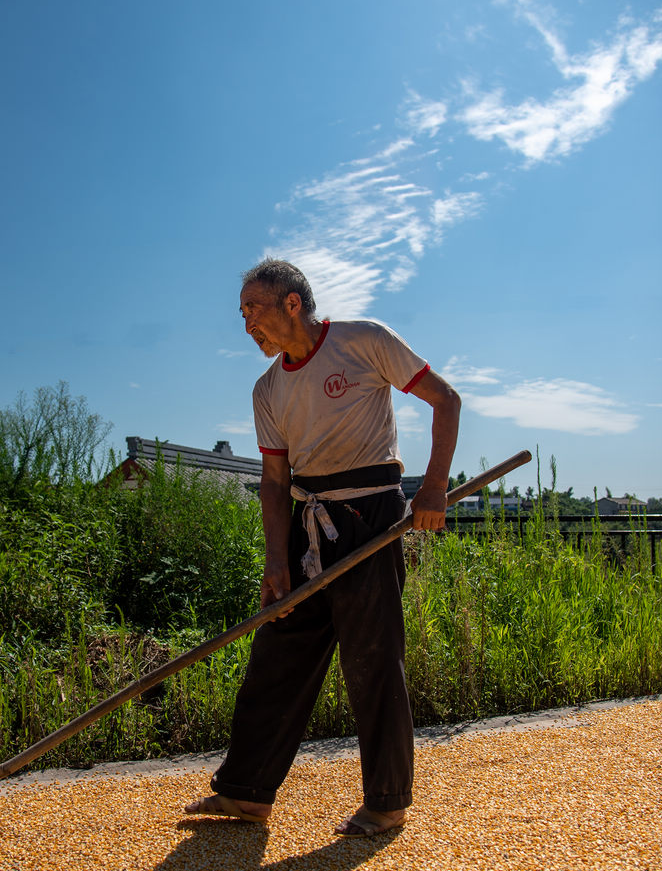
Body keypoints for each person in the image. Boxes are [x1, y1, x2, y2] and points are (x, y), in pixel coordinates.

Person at [185, 258, 460, 836]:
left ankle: (386, 802)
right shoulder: (268, 389)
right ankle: (246, 792)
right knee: (277, 655)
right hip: (307, 523)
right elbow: (276, 481)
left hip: (370, 515)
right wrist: (276, 561)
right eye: (241, 315)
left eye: (252, 311)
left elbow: (445, 399)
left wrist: (433, 487)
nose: (246, 327)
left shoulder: (364, 342)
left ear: (291, 303)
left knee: (372, 659)